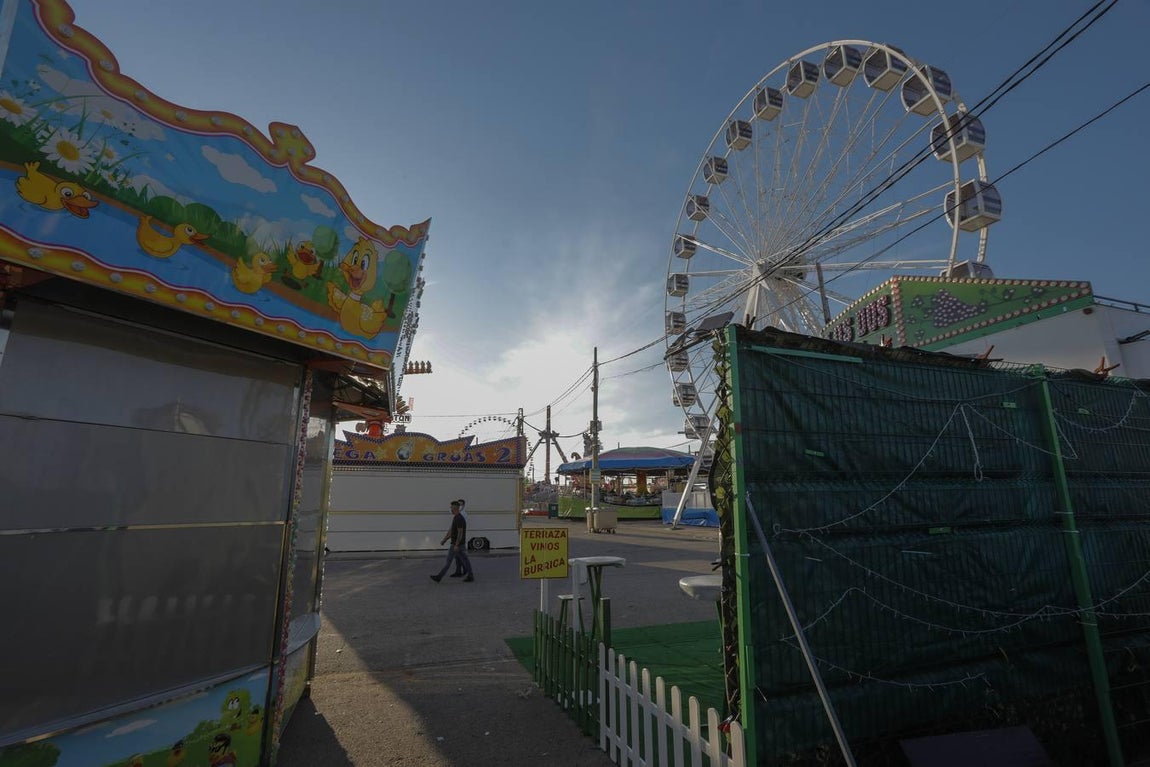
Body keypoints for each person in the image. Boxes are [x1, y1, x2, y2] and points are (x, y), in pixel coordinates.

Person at [431, 500, 473, 583]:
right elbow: (451, 531)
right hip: (456, 544)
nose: (450, 509)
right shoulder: (456, 517)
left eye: (451, 507)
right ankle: (469, 575)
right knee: (464, 560)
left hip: (457, 545)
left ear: (455, 508)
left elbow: (460, 533)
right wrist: (444, 539)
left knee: (450, 561)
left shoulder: (459, 518)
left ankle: (439, 577)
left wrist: (456, 545)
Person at [450, 498, 468, 577]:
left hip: (459, 540)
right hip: (457, 539)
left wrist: (457, 543)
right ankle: (461, 571)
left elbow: (460, 530)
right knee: (458, 557)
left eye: (461, 505)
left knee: (460, 557)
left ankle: (464, 571)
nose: (459, 506)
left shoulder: (462, 515)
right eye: (458, 504)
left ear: (463, 505)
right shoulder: (457, 515)